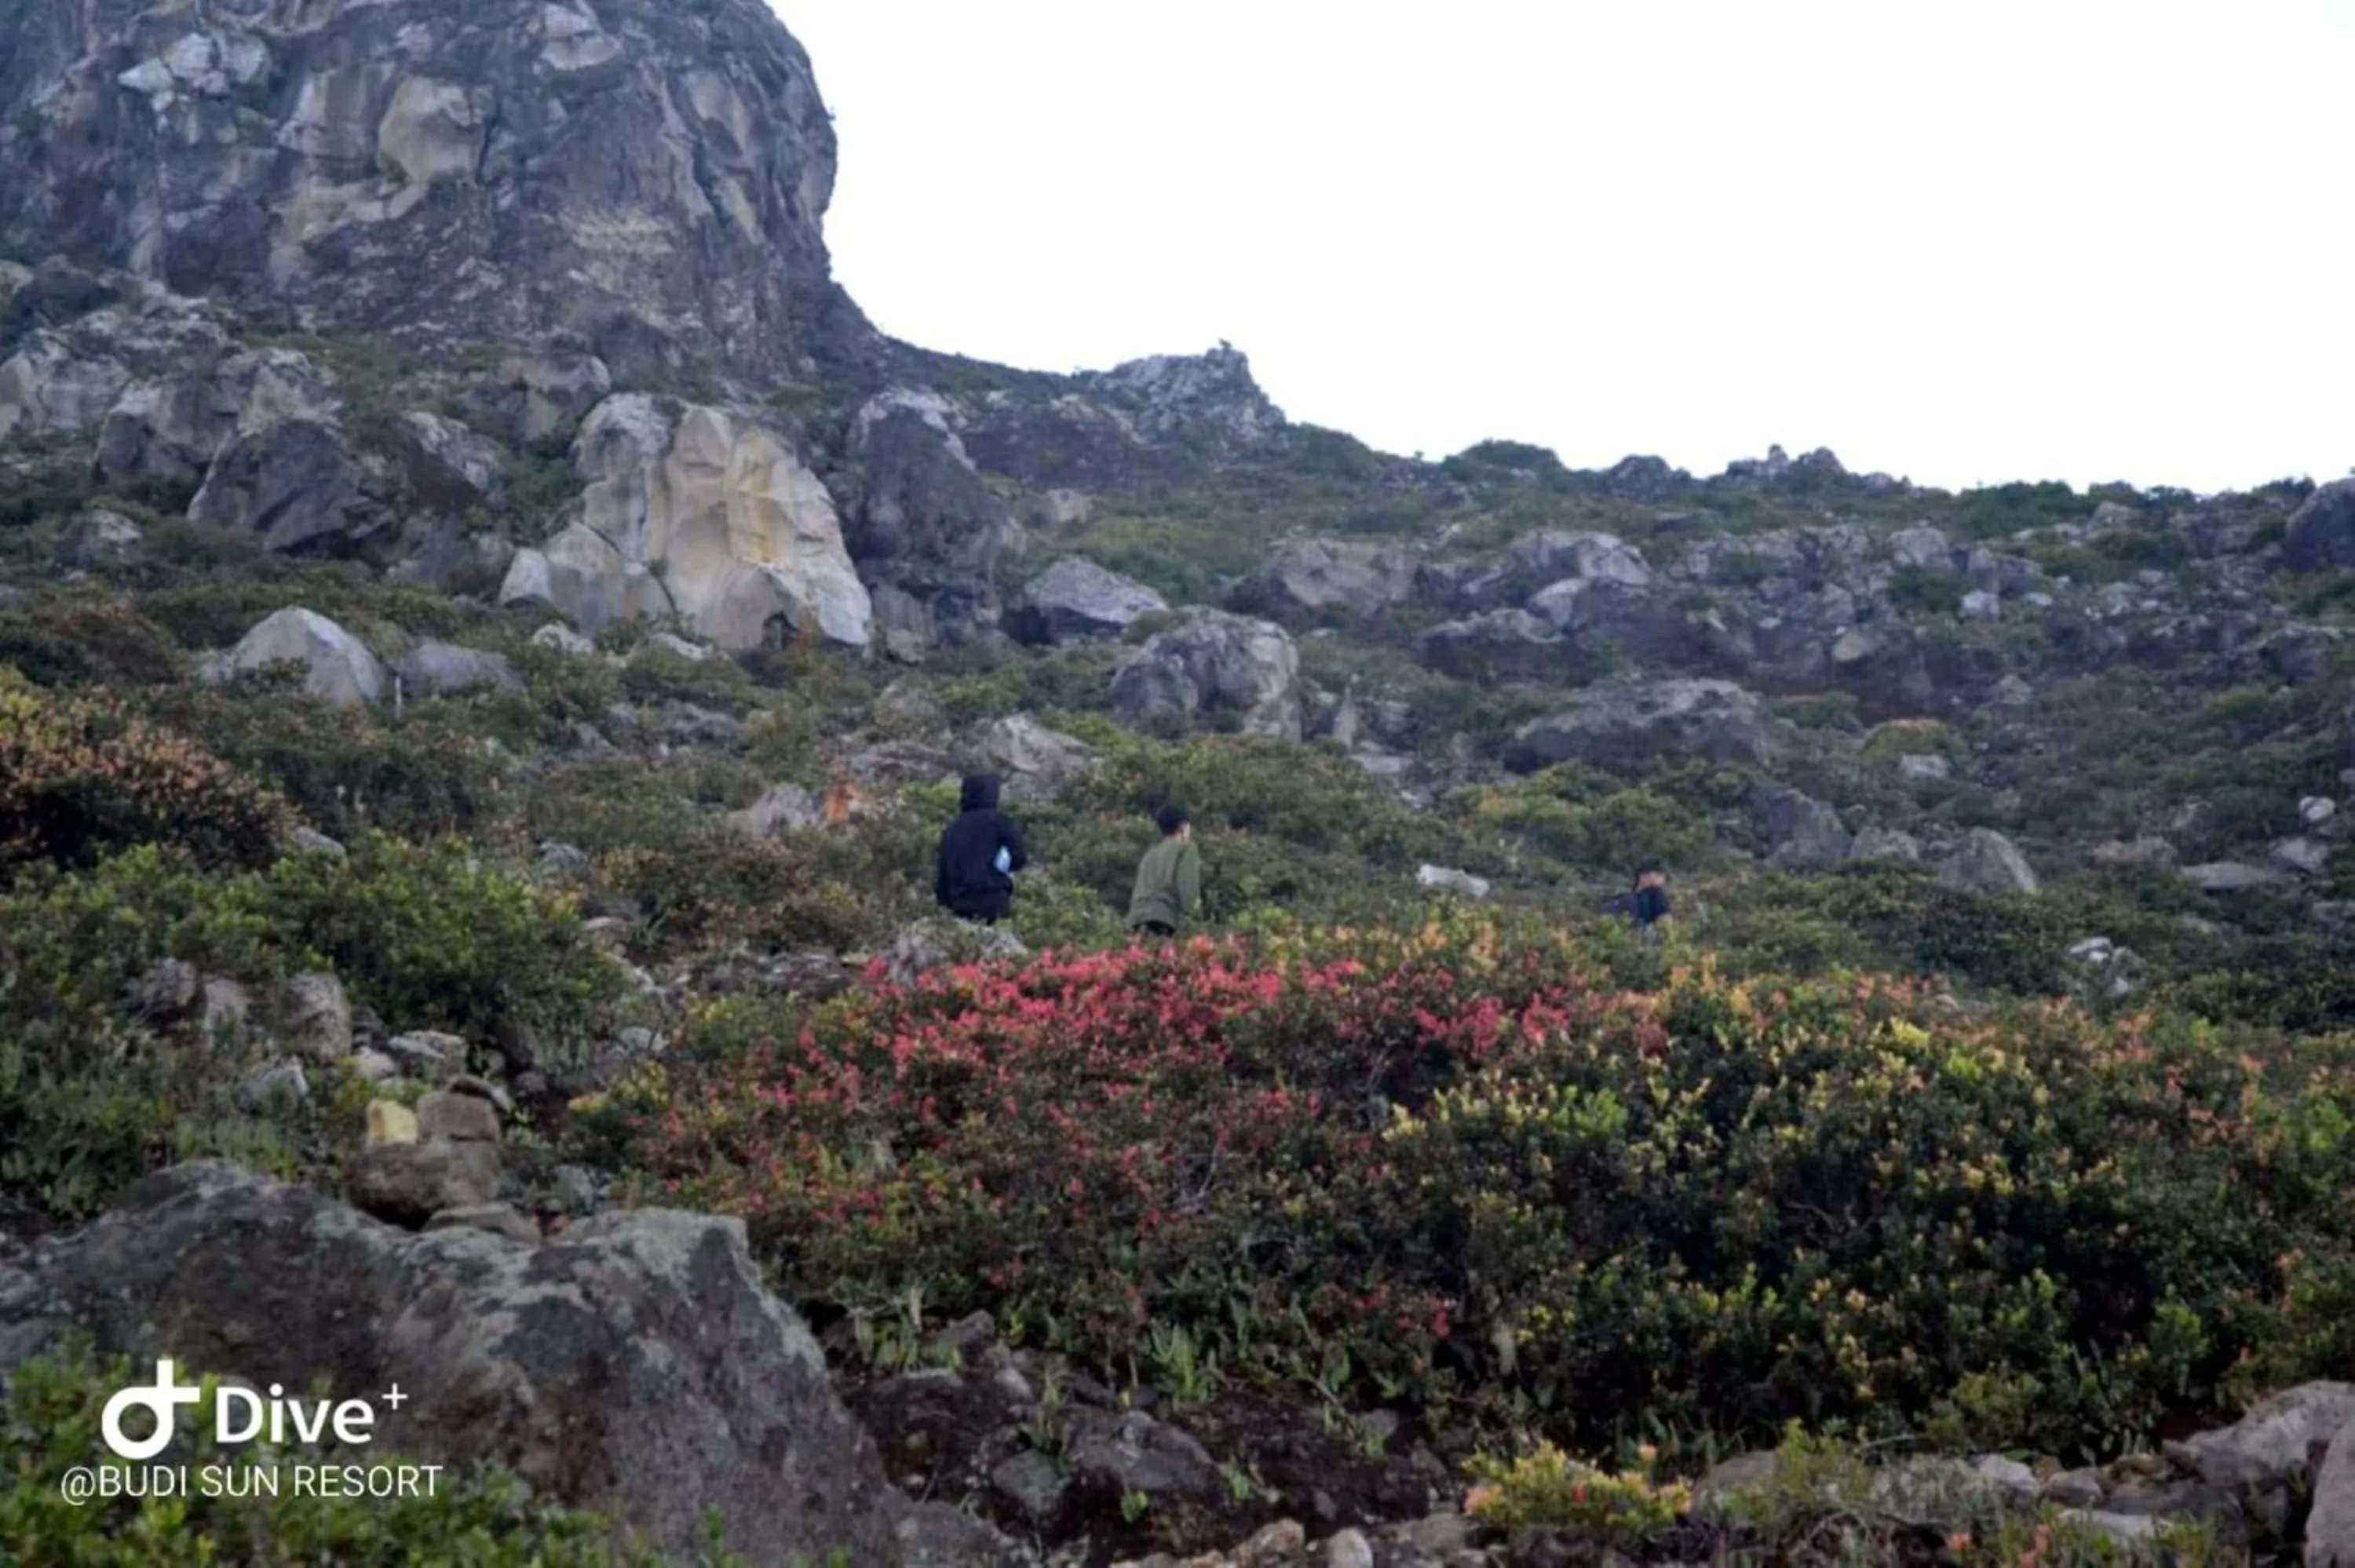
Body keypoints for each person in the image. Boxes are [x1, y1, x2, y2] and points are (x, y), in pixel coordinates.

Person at [934, 773, 1028, 924]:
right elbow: (1019, 857)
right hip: (993, 899)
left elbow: (942, 878)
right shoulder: (998, 822)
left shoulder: (952, 829)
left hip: (960, 904)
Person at [1125, 804, 1203, 939]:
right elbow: (1188, 887)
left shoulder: (1149, 855)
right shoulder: (1186, 849)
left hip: (1135, 920)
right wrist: (1197, 920)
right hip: (1163, 919)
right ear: (1183, 827)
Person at [1630, 860, 1673, 944]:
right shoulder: (1656, 893)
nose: (1663, 880)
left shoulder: (1630, 896)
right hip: (1645, 939)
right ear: (1643, 877)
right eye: (1659, 875)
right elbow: (1665, 921)